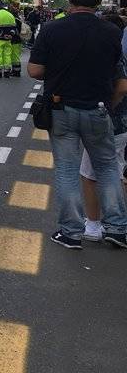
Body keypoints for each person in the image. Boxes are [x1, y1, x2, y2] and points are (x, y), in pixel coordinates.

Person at [28, 0, 127, 249]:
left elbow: (35, 70)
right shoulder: (112, 33)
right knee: (107, 167)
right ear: (98, 1)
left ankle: (71, 232)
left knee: (67, 170)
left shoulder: (51, 30)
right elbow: (120, 81)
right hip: (98, 109)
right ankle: (117, 228)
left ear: (70, 0)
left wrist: (57, 71)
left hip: (61, 109)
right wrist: (110, 105)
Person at [80, 14, 127, 242]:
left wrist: (109, 107)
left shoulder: (113, 56)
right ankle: (119, 223)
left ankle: (95, 225)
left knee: (91, 174)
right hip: (124, 125)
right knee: (118, 170)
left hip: (109, 122)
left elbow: (120, 88)